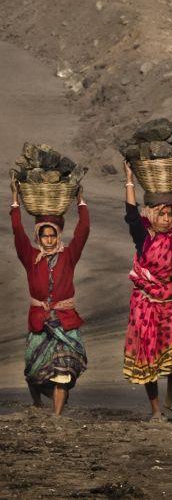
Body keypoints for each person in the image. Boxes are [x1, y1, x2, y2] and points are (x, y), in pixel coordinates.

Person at [10, 175, 89, 416]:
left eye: (52, 235)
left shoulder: (68, 256)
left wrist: (80, 201)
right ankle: (37, 403)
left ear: (57, 235)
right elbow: (17, 231)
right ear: (38, 237)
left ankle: (56, 417)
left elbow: (83, 230)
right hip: (39, 320)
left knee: (63, 368)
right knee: (33, 369)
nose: (49, 240)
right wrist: (15, 199)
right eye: (44, 236)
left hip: (64, 321)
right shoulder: (29, 258)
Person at [123, 162, 172, 421]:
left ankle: (171, 398)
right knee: (149, 357)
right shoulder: (144, 237)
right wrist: (129, 179)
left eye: (169, 214)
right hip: (146, 305)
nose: (166, 219)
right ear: (152, 214)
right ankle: (155, 410)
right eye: (161, 214)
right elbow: (131, 215)